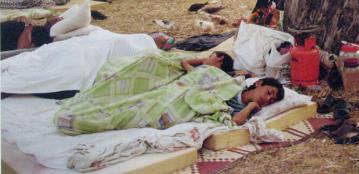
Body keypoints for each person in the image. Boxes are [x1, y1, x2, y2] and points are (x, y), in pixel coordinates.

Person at [54, 64, 284, 134]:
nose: (268, 99)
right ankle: (83, 110)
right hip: (176, 94)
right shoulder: (229, 82)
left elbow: (233, 122)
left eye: (272, 100)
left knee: (133, 117)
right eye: (269, 93)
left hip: (183, 110)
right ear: (260, 83)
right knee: (138, 101)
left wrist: (252, 106)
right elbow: (204, 74)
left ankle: (82, 121)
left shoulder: (245, 108)